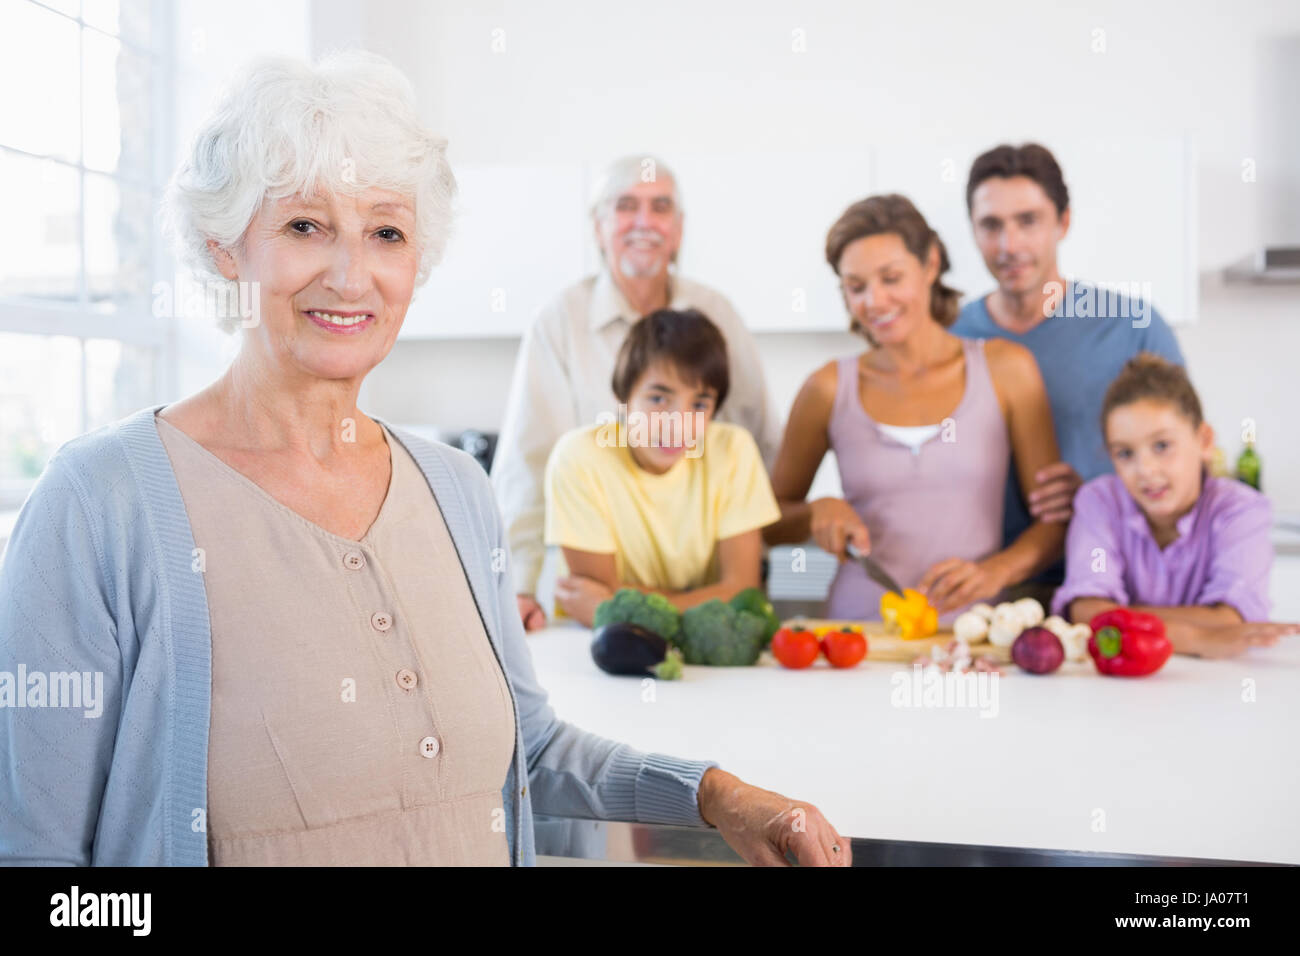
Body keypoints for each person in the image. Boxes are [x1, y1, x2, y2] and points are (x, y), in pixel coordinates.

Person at [0, 52, 849, 867]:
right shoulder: (97, 504)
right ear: (226, 246)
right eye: (305, 225)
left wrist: (716, 794)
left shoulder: (455, 492)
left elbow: (535, 748)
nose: (351, 273)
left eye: (386, 232)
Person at [491, 155, 782, 632]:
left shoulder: (717, 313)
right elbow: (530, 462)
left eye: (660, 207)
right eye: (626, 206)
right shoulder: (561, 319)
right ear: (599, 226)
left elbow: (760, 438)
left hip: (708, 584)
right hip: (594, 584)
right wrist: (520, 584)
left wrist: (746, 569)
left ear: (680, 228)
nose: (645, 221)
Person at [765, 194, 1065, 621]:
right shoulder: (828, 388)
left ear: (930, 265)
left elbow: (1054, 519)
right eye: (856, 287)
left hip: (973, 632)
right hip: (860, 636)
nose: (875, 301)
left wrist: (996, 572)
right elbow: (766, 522)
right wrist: (817, 510)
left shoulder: (1006, 370)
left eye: (891, 278)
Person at [950, 143, 1186, 600]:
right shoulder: (950, 337)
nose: (1009, 245)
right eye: (991, 225)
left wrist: (1099, 494)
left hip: (1117, 584)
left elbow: (1185, 465)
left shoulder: (1132, 327)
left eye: (1028, 221)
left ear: (1063, 222)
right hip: (990, 588)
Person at [545, 309, 781, 626]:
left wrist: (625, 604)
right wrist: (705, 602)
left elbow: (741, 592)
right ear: (622, 397)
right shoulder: (579, 457)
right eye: (658, 398)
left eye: (699, 405)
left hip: (697, 655)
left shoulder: (732, 450)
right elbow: (596, 599)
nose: (677, 425)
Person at [1053, 354, 1299, 658]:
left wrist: (1118, 615)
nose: (1145, 470)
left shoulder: (1239, 511)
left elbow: (1231, 619)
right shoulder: (1101, 505)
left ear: (1204, 441)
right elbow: (1088, 610)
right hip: (1122, 683)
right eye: (1125, 453)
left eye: (1161, 446)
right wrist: (1194, 637)